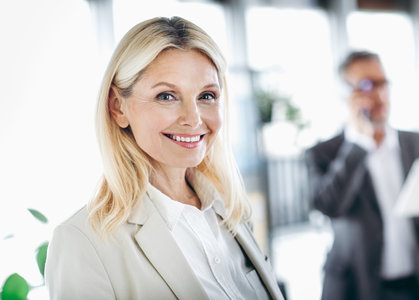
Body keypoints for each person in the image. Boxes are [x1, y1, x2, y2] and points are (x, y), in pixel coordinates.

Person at [45, 16, 284, 300]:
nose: (193, 119)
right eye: (167, 96)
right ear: (118, 107)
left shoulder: (231, 210)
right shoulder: (82, 242)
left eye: (207, 96)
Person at [304, 50, 419, 300]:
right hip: (357, 288)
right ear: (346, 96)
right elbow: (329, 206)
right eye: (367, 86)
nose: (379, 94)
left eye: (383, 84)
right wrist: (360, 142)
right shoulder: (323, 153)